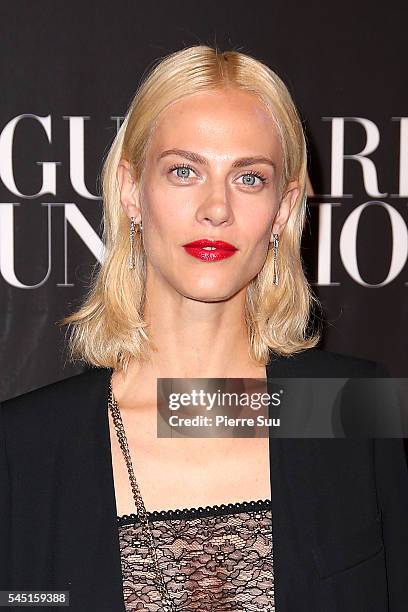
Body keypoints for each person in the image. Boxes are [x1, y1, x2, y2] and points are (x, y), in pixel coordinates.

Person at [1, 44, 408, 612]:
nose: (216, 207)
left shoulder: (354, 411)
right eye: (184, 171)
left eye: (249, 178)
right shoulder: (25, 448)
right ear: (130, 191)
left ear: (285, 208)